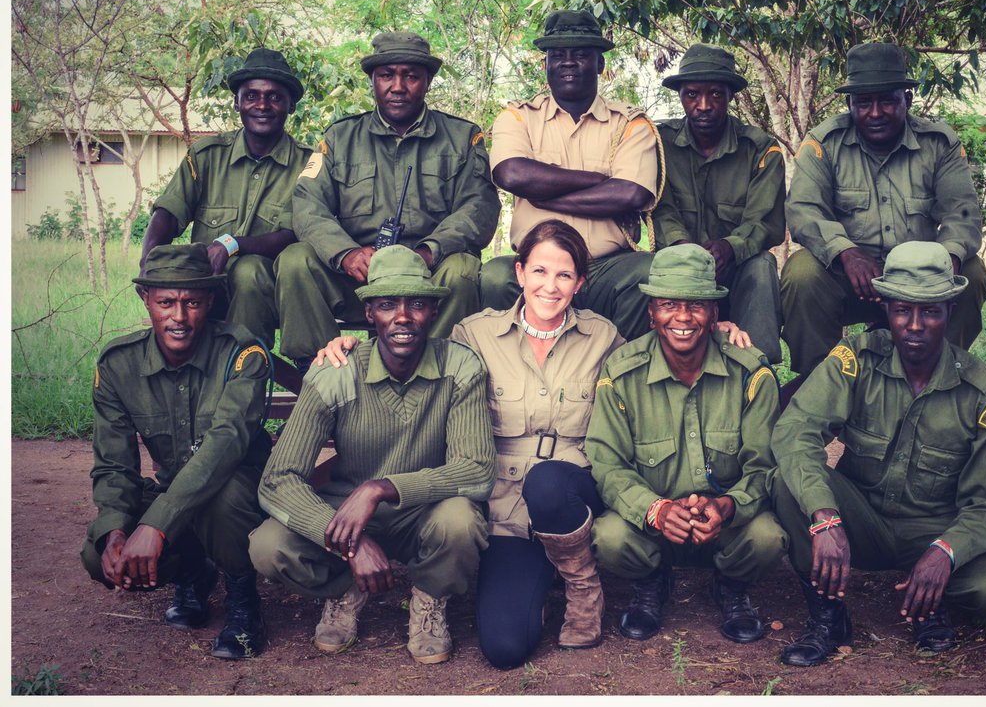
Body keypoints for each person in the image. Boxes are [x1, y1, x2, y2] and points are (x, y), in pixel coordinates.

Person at [317, 221, 759, 668]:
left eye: (565, 275)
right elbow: (414, 354)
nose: (551, 286)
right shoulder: (474, 334)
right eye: (541, 271)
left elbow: (657, 352)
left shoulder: (603, 337)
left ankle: (583, 587)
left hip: (574, 493)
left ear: (580, 282)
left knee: (548, 482)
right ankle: (538, 582)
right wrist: (351, 345)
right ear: (520, 272)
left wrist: (719, 335)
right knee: (505, 648)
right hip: (505, 509)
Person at [771, 241, 986, 666]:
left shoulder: (984, 390)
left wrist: (947, 551)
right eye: (903, 310)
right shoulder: (854, 360)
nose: (916, 325)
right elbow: (796, 433)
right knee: (786, 482)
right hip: (860, 519)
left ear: (950, 311)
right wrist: (824, 515)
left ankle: (930, 602)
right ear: (885, 309)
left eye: (931, 311)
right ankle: (829, 616)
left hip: (934, 527)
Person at [249, 245, 495, 665]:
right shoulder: (337, 372)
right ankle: (344, 590)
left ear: (434, 311)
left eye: (417, 303)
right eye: (387, 305)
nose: (402, 317)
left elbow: (476, 472)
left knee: (461, 520)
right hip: (348, 516)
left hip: (423, 511)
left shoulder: (459, 366)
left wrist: (382, 488)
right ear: (369, 315)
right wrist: (350, 543)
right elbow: (278, 480)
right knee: (269, 545)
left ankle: (429, 599)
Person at [586, 244, 786, 644]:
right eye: (668, 304)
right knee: (609, 537)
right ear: (651, 311)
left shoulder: (749, 372)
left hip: (726, 528)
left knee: (768, 538)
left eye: (696, 305)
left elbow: (765, 466)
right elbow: (607, 464)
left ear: (714, 314)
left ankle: (730, 585)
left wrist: (728, 507)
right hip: (653, 529)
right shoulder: (622, 373)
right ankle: (650, 582)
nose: (682, 317)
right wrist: (656, 510)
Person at [82, 243, 272, 660]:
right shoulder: (117, 365)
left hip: (240, 496)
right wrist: (116, 530)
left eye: (192, 302)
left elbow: (224, 447)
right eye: (166, 302)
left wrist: (158, 524)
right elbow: (114, 465)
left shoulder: (241, 354)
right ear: (145, 299)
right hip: (174, 493)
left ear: (210, 301)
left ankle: (244, 601)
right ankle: (193, 572)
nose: (180, 317)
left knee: (221, 498)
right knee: (98, 556)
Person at [276, 31, 501, 370]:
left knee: (463, 270)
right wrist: (346, 253)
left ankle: (435, 375)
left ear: (427, 82)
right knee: (296, 260)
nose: (398, 86)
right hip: (357, 279)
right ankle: (322, 374)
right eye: (386, 75)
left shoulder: (462, 137)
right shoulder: (340, 137)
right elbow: (308, 205)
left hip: (427, 278)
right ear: (373, 81)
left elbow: (479, 208)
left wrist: (428, 252)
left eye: (411, 76)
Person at [779, 42, 986, 381]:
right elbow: (804, 210)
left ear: (907, 99)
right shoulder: (824, 143)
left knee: (972, 272)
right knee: (801, 272)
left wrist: (947, 261)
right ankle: (817, 383)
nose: (875, 113)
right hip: (848, 280)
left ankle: (941, 381)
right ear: (850, 104)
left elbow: (962, 214)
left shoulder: (939, 144)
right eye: (863, 102)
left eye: (887, 100)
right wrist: (845, 251)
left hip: (920, 279)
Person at [480, 9, 661, 343]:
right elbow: (511, 173)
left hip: (605, 269)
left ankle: (620, 375)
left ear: (600, 64)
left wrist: (543, 191)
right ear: (545, 64)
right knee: (493, 276)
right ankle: (511, 374)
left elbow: (629, 194)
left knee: (647, 272)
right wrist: (598, 180)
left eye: (580, 54)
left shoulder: (630, 123)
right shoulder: (518, 117)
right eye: (557, 55)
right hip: (533, 268)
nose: (567, 62)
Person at [141, 48, 310, 344]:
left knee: (248, 269)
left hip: (270, 293)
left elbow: (292, 235)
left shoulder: (307, 165)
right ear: (237, 102)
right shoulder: (207, 156)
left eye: (274, 97)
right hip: (208, 287)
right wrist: (148, 265)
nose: (262, 105)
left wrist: (232, 245)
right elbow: (168, 213)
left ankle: (245, 373)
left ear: (291, 105)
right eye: (251, 96)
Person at [654, 43, 786, 363]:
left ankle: (757, 371)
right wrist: (684, 249)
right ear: (681, 96)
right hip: (677, 266)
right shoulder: (660, 144)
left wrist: (731, 247)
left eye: (715, 94)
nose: (703, 105)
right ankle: (653, 369)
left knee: (762, 266)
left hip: (735, 268)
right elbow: (661, 208)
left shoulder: (759, 149)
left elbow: (765, 221)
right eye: (691, 94)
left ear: (730, 96)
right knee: (643, 272)